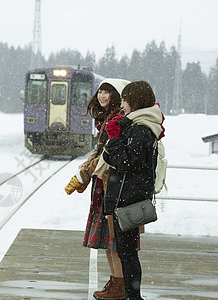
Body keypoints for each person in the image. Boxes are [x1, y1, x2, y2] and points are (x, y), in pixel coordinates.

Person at [64, 78, 130, 300]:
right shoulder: (106, 119)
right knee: (108, 241)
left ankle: (119, 285)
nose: (102, 96)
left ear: (117, 97)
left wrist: (84, 172)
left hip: (111, 186)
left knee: (113, 239)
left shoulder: (116, 120)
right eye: (100, 91)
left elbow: (106, 154)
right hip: (104, 184)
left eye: (107, 92)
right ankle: (115, 282)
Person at [103, 80, 165, 300]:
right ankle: (132, 294)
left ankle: (133, 296)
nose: (123, 105)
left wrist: (114, 139)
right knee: (126, 252)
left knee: (128, 254)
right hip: (127, 197)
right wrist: (116, 140)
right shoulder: (136, 126)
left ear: (134, 101)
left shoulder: (141, 129)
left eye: (125, 100)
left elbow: (126, 164)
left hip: (129, 199)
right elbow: (111, 158)